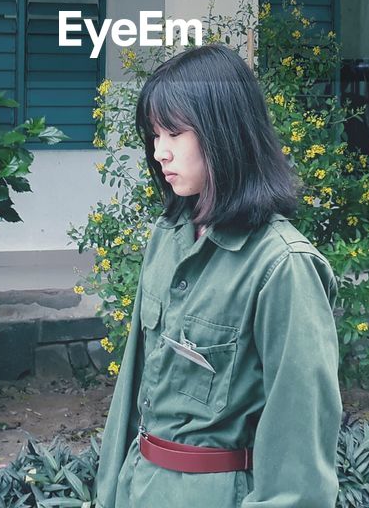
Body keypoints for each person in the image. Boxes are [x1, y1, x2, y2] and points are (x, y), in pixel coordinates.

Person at [94, 43, 343, 508]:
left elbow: (299, 454)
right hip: (139, 487)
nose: (158, 151)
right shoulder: (167, 237)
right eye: (154, 134)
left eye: (174, 133)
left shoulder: (282, 266)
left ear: (223, 131)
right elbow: (132, 393)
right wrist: (109, 491)